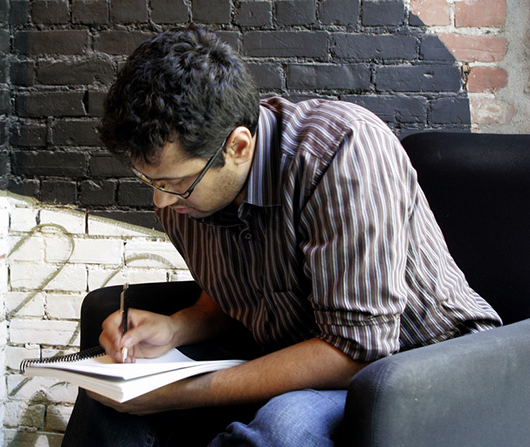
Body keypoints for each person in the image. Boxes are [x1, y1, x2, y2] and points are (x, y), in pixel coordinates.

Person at [61, 25, 501, 447]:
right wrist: (178, 327)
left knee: (284, 429)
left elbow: (360, 347)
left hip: (417, 363)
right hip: (289, 350)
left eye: (176, 183)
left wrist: (186, 392)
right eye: (148, 181)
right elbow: (243, 292)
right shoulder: (188, 197)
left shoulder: (340, 153)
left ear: (238, 146)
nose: (160, 203)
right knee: (111, 402)